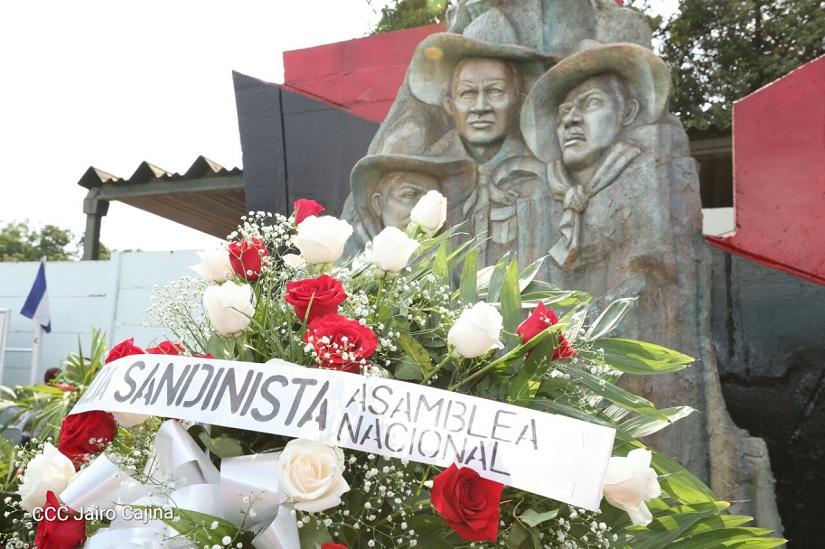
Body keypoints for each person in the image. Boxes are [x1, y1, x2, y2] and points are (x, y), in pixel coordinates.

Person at [405, 29, 557, 266]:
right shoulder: (424, 176)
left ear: (519, 101)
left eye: (495, 91)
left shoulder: (541, 177)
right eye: (467, 93)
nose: (480, 107)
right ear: (450, 105)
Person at [520, 40, 671, 267]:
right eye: (565, 111)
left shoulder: (647, 178)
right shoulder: (540, 191)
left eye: (591, 103)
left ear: (628, 113)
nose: (571, 119)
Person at [343, 154, 476, 256]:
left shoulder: (443, 268)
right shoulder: (345, 252)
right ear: (378, 203)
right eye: (409, 195)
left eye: (430, 200)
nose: (423, 208)